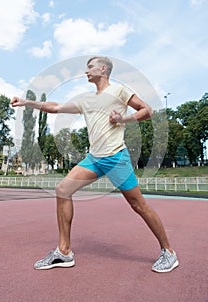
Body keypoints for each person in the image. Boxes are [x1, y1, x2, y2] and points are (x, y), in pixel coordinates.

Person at [11, 56, 179, 273]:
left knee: (138, 205)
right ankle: (64, 252)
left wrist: (123, 120)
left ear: (103, 69)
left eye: (90, 67)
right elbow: (55, 107)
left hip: (116, 157)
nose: (86, 71)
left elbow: (147, 111)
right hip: (94, 159)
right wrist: (27, 103)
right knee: (63, 189)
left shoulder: (119, 91)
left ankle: (169, 252)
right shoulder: (86, 100)